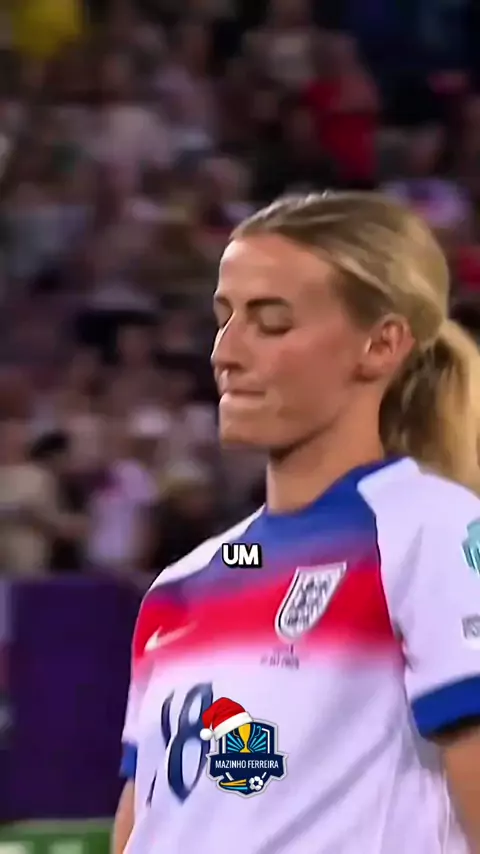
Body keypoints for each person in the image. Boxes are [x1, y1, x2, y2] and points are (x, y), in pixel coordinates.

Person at [114, 192, 480, 854]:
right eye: (223, 318)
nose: (225, 352)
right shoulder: (180, 587)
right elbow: (147, 826)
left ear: (381, 345)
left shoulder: (434, 534)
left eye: (272, 322)